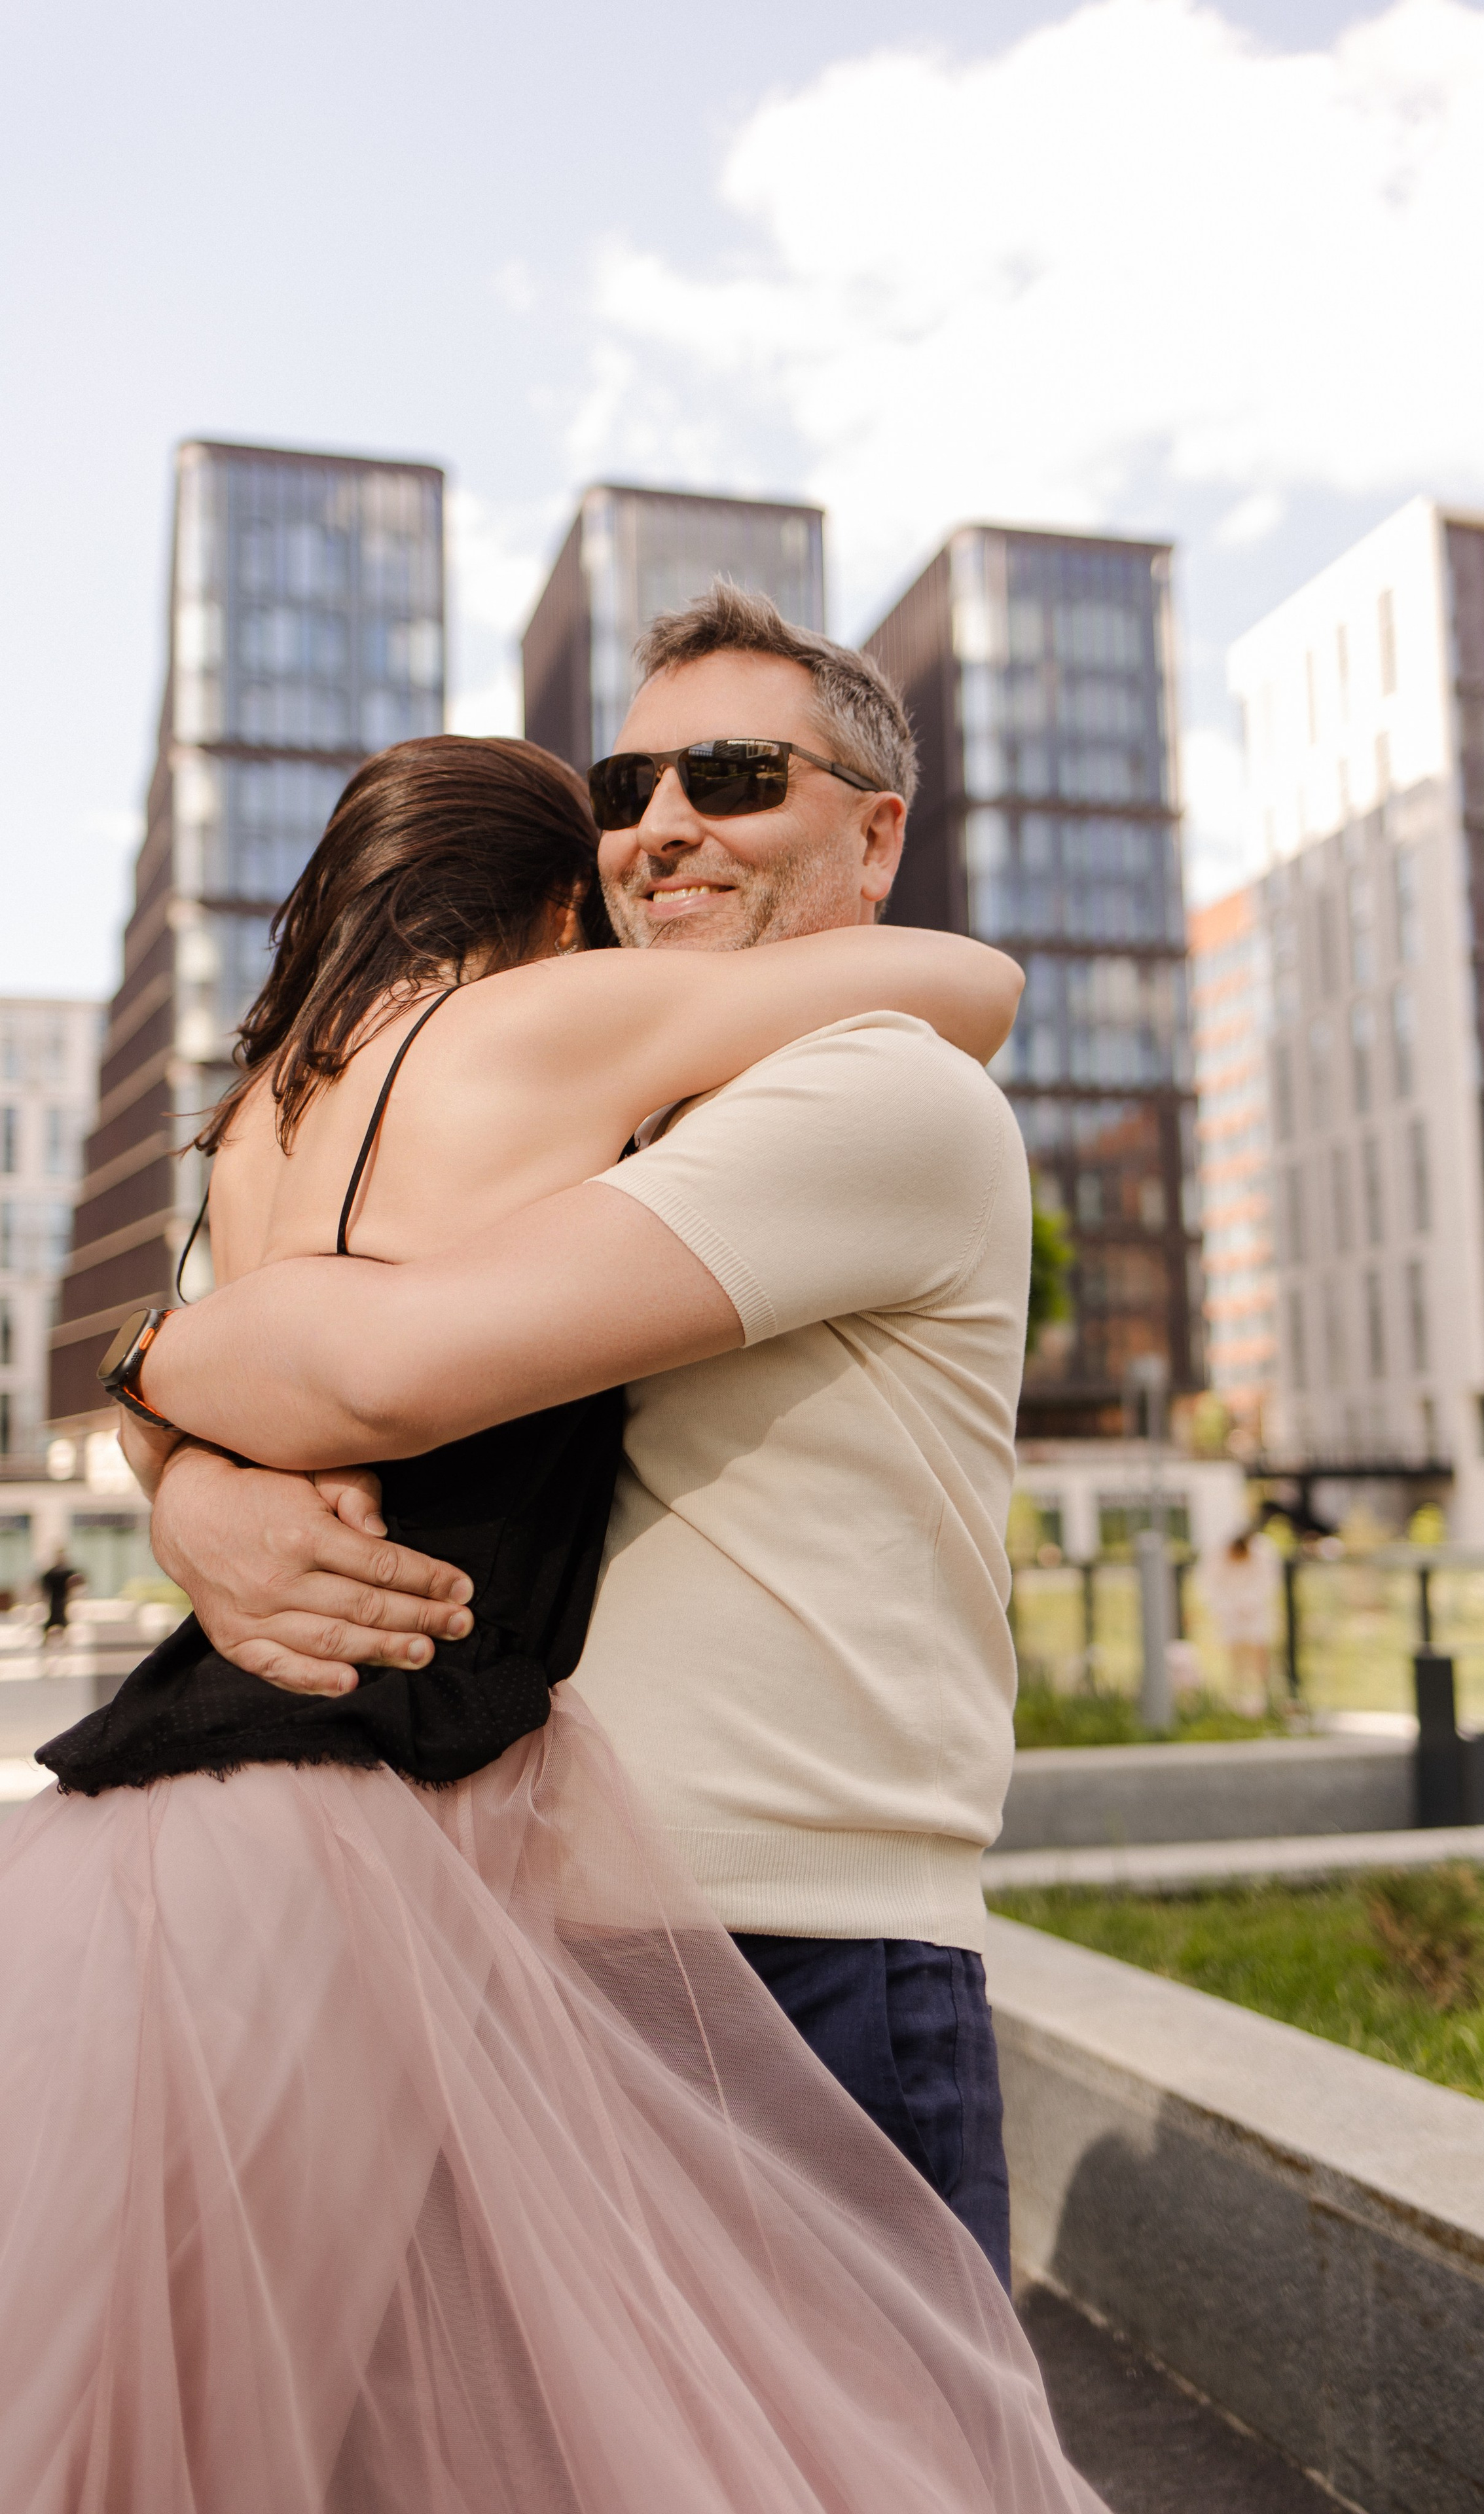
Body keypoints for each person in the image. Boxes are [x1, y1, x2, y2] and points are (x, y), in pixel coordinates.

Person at [8, 731, 1100, 2509]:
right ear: (545, 903)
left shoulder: (257, 1110)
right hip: (395, 1794)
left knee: (223, 2404)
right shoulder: (537, 1024)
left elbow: (223, 1384)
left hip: (170, 1791)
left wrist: (166, 1423)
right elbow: (972, 981)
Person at [139, 589, 1033, 2289]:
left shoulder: (874, 1093)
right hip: (541, 1935)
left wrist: (147, 1374)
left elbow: (373, 1366)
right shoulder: (617, 1111)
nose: (665, 825)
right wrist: (198, 1497)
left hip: (793, 1948)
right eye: (625, 790)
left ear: (876, 828)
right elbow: (318, 1369)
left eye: (733, 772)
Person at [1203, 1527, 1280, 1717]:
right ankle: (1237, 1696)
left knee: (1260, 1648)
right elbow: (1208, 1584)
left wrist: (1251, 1602)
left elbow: (1269, 1581)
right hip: (1229, 1610)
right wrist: (1226, 1606)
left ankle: (1265, 1695)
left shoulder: (1263, 1551)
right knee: (1234, 1650)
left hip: (1256, 1609)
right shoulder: (1217, 1553)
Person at [39, 1550, 80, 1640]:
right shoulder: (51, 1574)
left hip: (65, 1600)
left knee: (65, 1618)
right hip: (54, 1600)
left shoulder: (68, 1572)